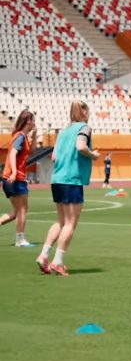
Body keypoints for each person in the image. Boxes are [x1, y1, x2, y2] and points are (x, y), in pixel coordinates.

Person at [36, 100, 99, 276]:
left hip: (57, 179)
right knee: (70, 223)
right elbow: (80, 146)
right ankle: (58, 261)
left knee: (61, 221)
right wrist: (93, 155)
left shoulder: (63, 132)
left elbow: (54, 156)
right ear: (84, 113)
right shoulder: (84, 127)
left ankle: (43, 255)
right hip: (72, 179)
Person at [1, 110, 37, 247]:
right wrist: (15, 173)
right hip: (15, 178)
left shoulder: (21, 136)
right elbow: (12, 155)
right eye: (33, 120)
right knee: (23, 210)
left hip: (9, 178)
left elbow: (32, 151)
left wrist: (34, 135)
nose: (34, 122)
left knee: (16, 212)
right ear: (28, 121)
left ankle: (20, 238)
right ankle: (20, 240)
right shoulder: (20, 137)